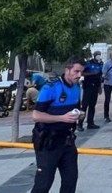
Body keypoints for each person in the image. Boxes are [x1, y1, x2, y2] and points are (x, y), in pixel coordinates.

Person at [31, 57, 84, 193]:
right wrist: (61, 118)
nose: (79, 75)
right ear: (67, 70)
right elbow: (36, 116)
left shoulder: (77, 88)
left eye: (81, 72)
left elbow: (77, 109)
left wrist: (80, 115)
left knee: (70, 180)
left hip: (67, 140)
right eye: (76, 71)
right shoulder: (51, 87)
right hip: (48, 141)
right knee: (44, 184)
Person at [80, 51, 104, 129]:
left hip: (95, 87)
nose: (98, 56)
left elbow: (100, 76)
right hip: (88, 86)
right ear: (94, 56)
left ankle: (90, 123)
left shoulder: (100, 64)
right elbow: (82, 73)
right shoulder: (88, 63)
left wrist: (99, 87)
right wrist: (92, 73)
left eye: (99, 55)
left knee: (92, 106)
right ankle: (80, 124)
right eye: (97, 55)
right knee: (84, 106)